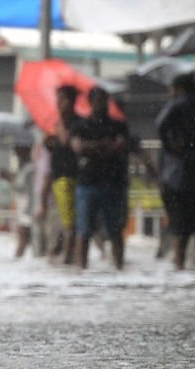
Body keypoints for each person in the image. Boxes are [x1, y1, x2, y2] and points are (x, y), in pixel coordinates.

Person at [70, 86, 130, 270]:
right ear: (90, 102)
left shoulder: (118, 125)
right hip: (88, 182)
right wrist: (104, 145)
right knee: (84, 230)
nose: (100, 104)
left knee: (115, 230)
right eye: (97, 100)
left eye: (103, 100)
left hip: (113, 183)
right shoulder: (81, 125)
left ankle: (119, 267)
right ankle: (82, 268)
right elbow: (78, 147)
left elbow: (120, 146)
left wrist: (93, 147)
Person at [156, 73, 195, 270]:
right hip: (190, 174)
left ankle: (179, 266)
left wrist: (171, 146)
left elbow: (160, 124)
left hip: (179, 176)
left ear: (179, 89)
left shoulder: (178, 105)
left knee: (180, 229)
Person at [37, 85, 84, 264]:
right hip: (57, 177)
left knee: (71, 224)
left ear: (71, 102)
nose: (58, 103)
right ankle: (66, 258)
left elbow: (66, 142)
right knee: (64, 223)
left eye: (62, 99)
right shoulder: (57, 125)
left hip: (71, 177)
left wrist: (60, 125)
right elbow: (54, 150)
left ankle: (68, 259)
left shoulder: (77, 123)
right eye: (57, 99)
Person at [0, 144, 36, 258]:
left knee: (23, 235)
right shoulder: (26, 168)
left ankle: (18, 259)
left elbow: (22, 187)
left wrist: (9, 179)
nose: (16, 155)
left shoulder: (30, 168)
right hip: (27, 208)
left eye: (17, 152)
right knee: (25, 236)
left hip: (30, 208)